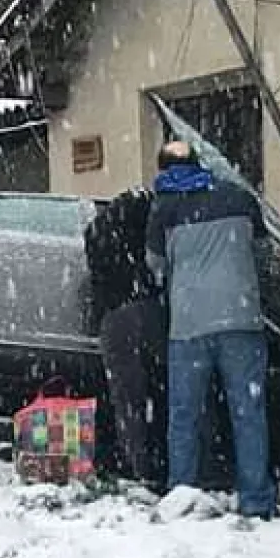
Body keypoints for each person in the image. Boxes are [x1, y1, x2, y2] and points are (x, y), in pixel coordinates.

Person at [145, 140, 277, 519]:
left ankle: (181, 493)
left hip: (189, 324)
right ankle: (255, 499)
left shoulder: (163, 207)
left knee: (184, 415)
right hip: (242, 319)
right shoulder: (239, 196)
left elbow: (154, 264)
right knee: (248, 412)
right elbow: (264, 255)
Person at [84, 187, 167, 490]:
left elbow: (96, 274)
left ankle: (133, 463)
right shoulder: (151, 225)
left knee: (124, 396)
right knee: (162, 388)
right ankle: (162, 462)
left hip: (114, 315)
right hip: (150, 311)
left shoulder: (97, 232)